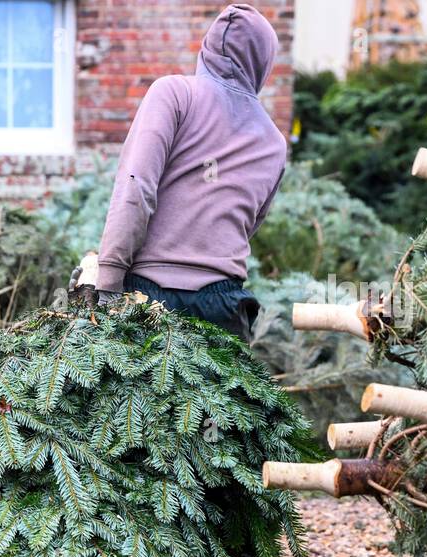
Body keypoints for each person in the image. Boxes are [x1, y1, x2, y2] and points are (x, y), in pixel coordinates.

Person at [95, 3, 288, 340]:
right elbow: (248, 224)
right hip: (225, 308)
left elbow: (136, 188)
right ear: (264, 62)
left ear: (207, 49)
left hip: (149, 301)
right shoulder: (274, 141)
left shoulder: (174, 93)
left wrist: (109, 282)